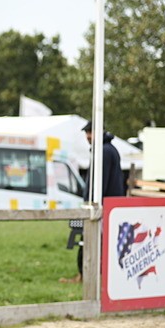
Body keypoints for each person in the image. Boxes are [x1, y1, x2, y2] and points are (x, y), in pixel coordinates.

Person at [60, 120, 125, 283]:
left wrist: (92, 204)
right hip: (108, 205)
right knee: (92, 241)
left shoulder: (104, 151)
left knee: (86, 240)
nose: (88, 136)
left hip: (101, 206)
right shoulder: (107, 150)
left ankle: (85, 276)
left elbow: (99, 183)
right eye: (86, 133)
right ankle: (90, 275)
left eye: (90, 132)